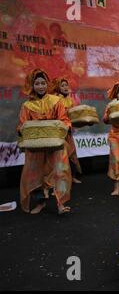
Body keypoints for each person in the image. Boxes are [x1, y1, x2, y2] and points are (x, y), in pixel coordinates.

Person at [17, 69, 72, 215]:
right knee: (34, 175)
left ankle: (61, 204)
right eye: (37, 83)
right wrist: (23, 132)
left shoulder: (56, 101)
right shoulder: (27, 106)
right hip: (36, 148)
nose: (40, 86)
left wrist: (63, 127)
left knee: (60, 172)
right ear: (32, 85)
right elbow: (22, 125)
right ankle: (40, 203)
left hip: (55, 145)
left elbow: (64, 120)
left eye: (43, 83)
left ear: (47, 85)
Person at [50, 77, 82, 184]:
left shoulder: (70, 99)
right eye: (62, 85)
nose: (65, 87)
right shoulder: (55, 99)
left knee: (71, 154)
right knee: (60, 157)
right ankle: (58, 181)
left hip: (68, 131)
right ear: (58, 88)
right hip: (59, 133)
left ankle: (72, 177)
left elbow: (73, 113)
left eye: (66, 85)